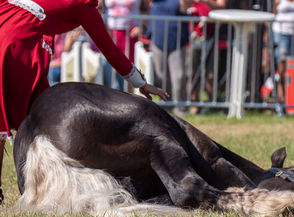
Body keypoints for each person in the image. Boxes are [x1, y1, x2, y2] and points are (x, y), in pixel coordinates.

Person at [0, 0, 169, 202]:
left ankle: (48, 183)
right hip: (20, 39)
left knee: (41, 118)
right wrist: (140, 82)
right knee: (40, 120)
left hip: (7, 25)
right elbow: (109, 48)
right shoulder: (82, 4)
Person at [147, 0, 191, 116]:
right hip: (157, 39)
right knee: (161, 76)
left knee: (179, 76)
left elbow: (186, 7)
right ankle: (166, 107)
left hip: (177, 41)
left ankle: (181, 109)